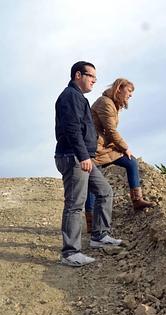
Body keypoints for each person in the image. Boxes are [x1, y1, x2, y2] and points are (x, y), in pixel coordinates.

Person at [54, 61, 123, 267]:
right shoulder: (70, 96)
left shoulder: (79, 98)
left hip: (82, 156)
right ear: (78, 75)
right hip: (73, 156)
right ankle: (70, 253)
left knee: (104, 191)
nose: (94, 80)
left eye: (95, 77)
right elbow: (72, 129)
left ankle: (99, 235)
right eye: (91, 76)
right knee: (75, 204)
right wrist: (84, 156)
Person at [83, 78, 153, 232]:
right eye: (129, 91)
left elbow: (108, 131)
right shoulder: (105, 103)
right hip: (95, 148)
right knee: (92, 185)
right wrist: (125, 147)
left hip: (104, 146)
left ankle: (137, 199)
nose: (130, 96)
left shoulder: (113, 104)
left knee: (131, 162)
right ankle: (91, 223)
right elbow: (111, 130)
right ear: (119, 89)